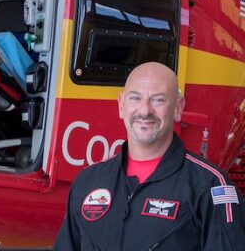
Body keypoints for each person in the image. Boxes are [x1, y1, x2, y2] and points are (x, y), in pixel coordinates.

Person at [54, 62, 245, 250]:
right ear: (121, 106)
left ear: (178, 108)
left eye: (158, 99)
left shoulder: (210, 187)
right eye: (135, 98)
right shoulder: (87, 182)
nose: (145, 111)